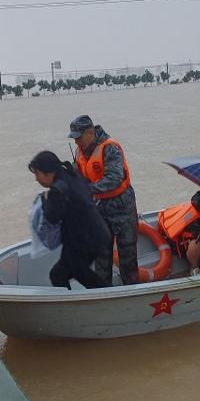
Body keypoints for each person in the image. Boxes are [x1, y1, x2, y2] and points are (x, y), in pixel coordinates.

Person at [70, 115, 139, 285]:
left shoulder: (110, 148)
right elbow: (78, 177)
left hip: (122, 207)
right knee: (101, 257)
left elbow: (114, 179)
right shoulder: (79, 151)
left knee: (127, 256)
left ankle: (132, 293)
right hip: (99, 209)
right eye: (74, 138)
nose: (76, 142)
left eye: (79, 137)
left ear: (90, 133)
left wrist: (85, 189)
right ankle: (103, 293)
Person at [29, 151, 112, 289]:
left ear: (48, 173)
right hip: (96, 234)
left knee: (58, 275)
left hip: (83, 241)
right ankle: (108, 296)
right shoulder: (72, 174)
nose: (36, 179)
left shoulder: (58, 190)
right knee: (74, 273)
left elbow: (53, 217)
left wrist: (45, 200)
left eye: (37, 174)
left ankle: (109, 297)